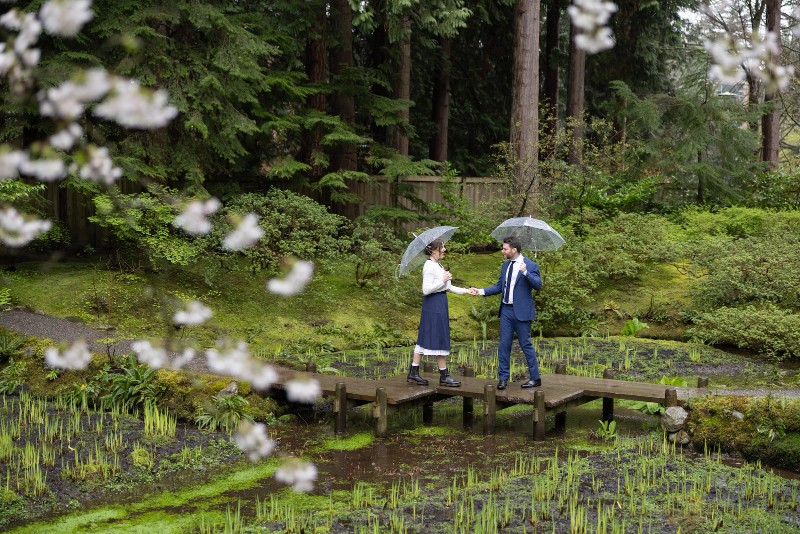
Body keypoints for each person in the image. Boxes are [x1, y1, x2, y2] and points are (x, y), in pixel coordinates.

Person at [469, 236, 542, 390]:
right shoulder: (505, 266)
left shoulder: (530, 265)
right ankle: (503, 379)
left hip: (522, 312)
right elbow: (498, 287)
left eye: (505, 249)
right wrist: (480, 291)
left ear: (514, 250)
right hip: (506, 311)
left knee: (526, 344)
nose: (502, 251)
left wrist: (526, 273)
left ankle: (535, 378)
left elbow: (538, 285)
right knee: (504, 345)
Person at [407, 239, 469, 387]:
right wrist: (442, 280)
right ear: (433, 250)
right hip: (433, 304)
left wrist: (467, 291)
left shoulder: (437, 265)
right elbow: (426, 290)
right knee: (433, 335)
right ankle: (443, 375)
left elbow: (449, 287)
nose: (445, 249)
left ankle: (414, 373)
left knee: (436, 335)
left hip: (440, 302)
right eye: (442, 247)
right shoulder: (429, 266)